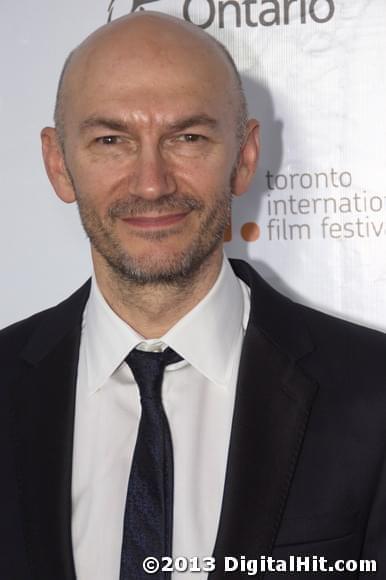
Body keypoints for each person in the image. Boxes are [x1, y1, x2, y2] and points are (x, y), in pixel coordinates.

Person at [1, 10, 386, 580]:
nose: (152, 182)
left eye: (188, 137)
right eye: (111, 139)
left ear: (245, 156)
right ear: (59, 164)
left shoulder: (374, 394)